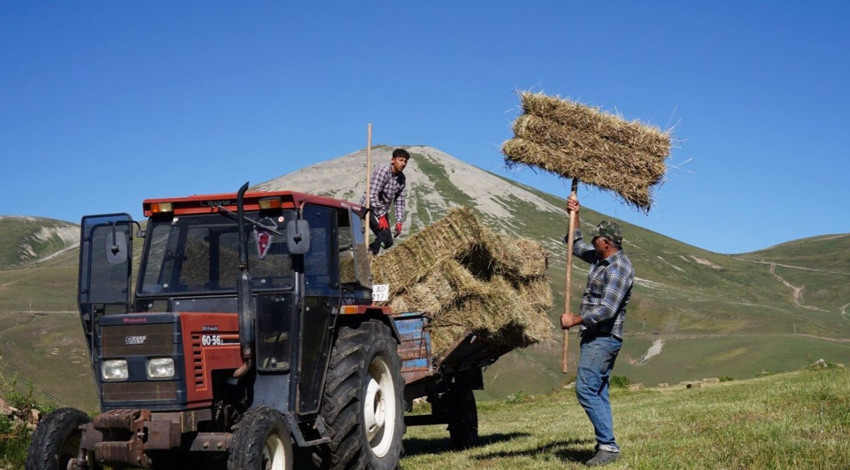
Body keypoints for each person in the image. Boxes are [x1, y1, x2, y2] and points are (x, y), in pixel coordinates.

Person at [560, 196, 634, 467]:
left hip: (604, 338)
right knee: (598, 391)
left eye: (596, 240)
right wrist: (574, 214)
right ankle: (607, 444)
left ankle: (609, 447)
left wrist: (575, 319)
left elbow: (607, 309)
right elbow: (574, 244)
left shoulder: (618, 269)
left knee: (586, 389)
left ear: (607, 243)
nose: (593, 243)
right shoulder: (600, 259)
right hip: (594, 337)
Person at [361, 148, 409, 255]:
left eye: (405, 161)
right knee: (382, 234)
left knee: (388, 241)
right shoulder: (383, 171)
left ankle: (365, 253)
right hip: (369, 206)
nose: (403, 164)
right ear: (393, 160)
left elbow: (400, 201)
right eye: (400, 160)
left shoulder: (401, 178)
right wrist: (381, 216)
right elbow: (372, 194)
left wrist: (399, 221)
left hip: (381, 210)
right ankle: (371, 261)